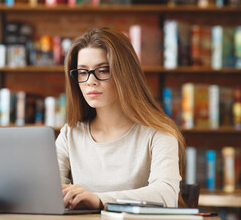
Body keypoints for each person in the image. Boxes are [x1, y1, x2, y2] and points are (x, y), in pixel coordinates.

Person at [55, 28, 186, 210]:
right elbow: (49, 194)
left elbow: (166, 194)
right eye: (83, 72)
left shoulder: (159, 133)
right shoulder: (70, 133)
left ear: (125, 73)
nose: (90, 81)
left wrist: (99, 199)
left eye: (103, 70)